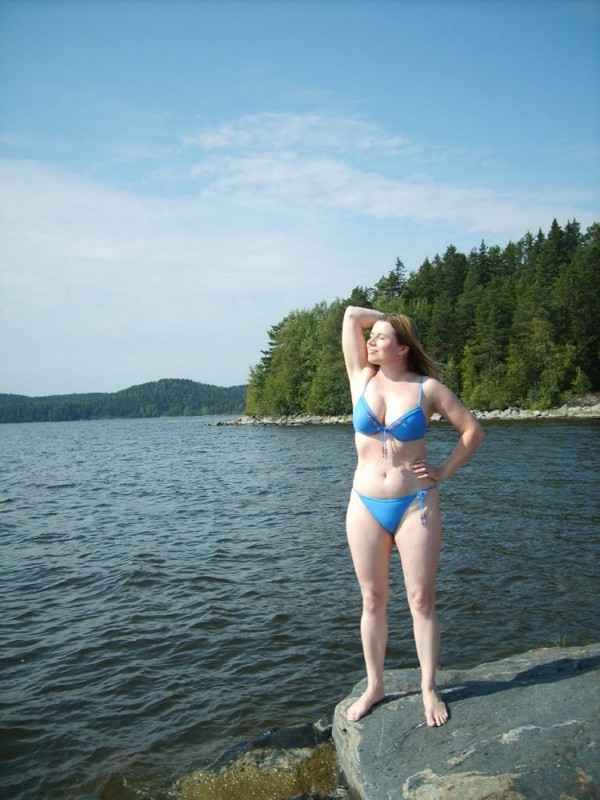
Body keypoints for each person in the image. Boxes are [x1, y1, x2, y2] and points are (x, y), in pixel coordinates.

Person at [342, 306, 485, 727]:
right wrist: (389, 318)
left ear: (403, 348)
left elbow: (472, 431)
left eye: (381, 337)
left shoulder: (428, 389)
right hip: (364, 504)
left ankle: (428, 688)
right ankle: (375, 686)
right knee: (372, 599)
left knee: (421, 599)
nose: (371, 341)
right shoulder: (361, 378)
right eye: (372, 336)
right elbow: (351, 316)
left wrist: (443, 470)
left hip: (415, 504)